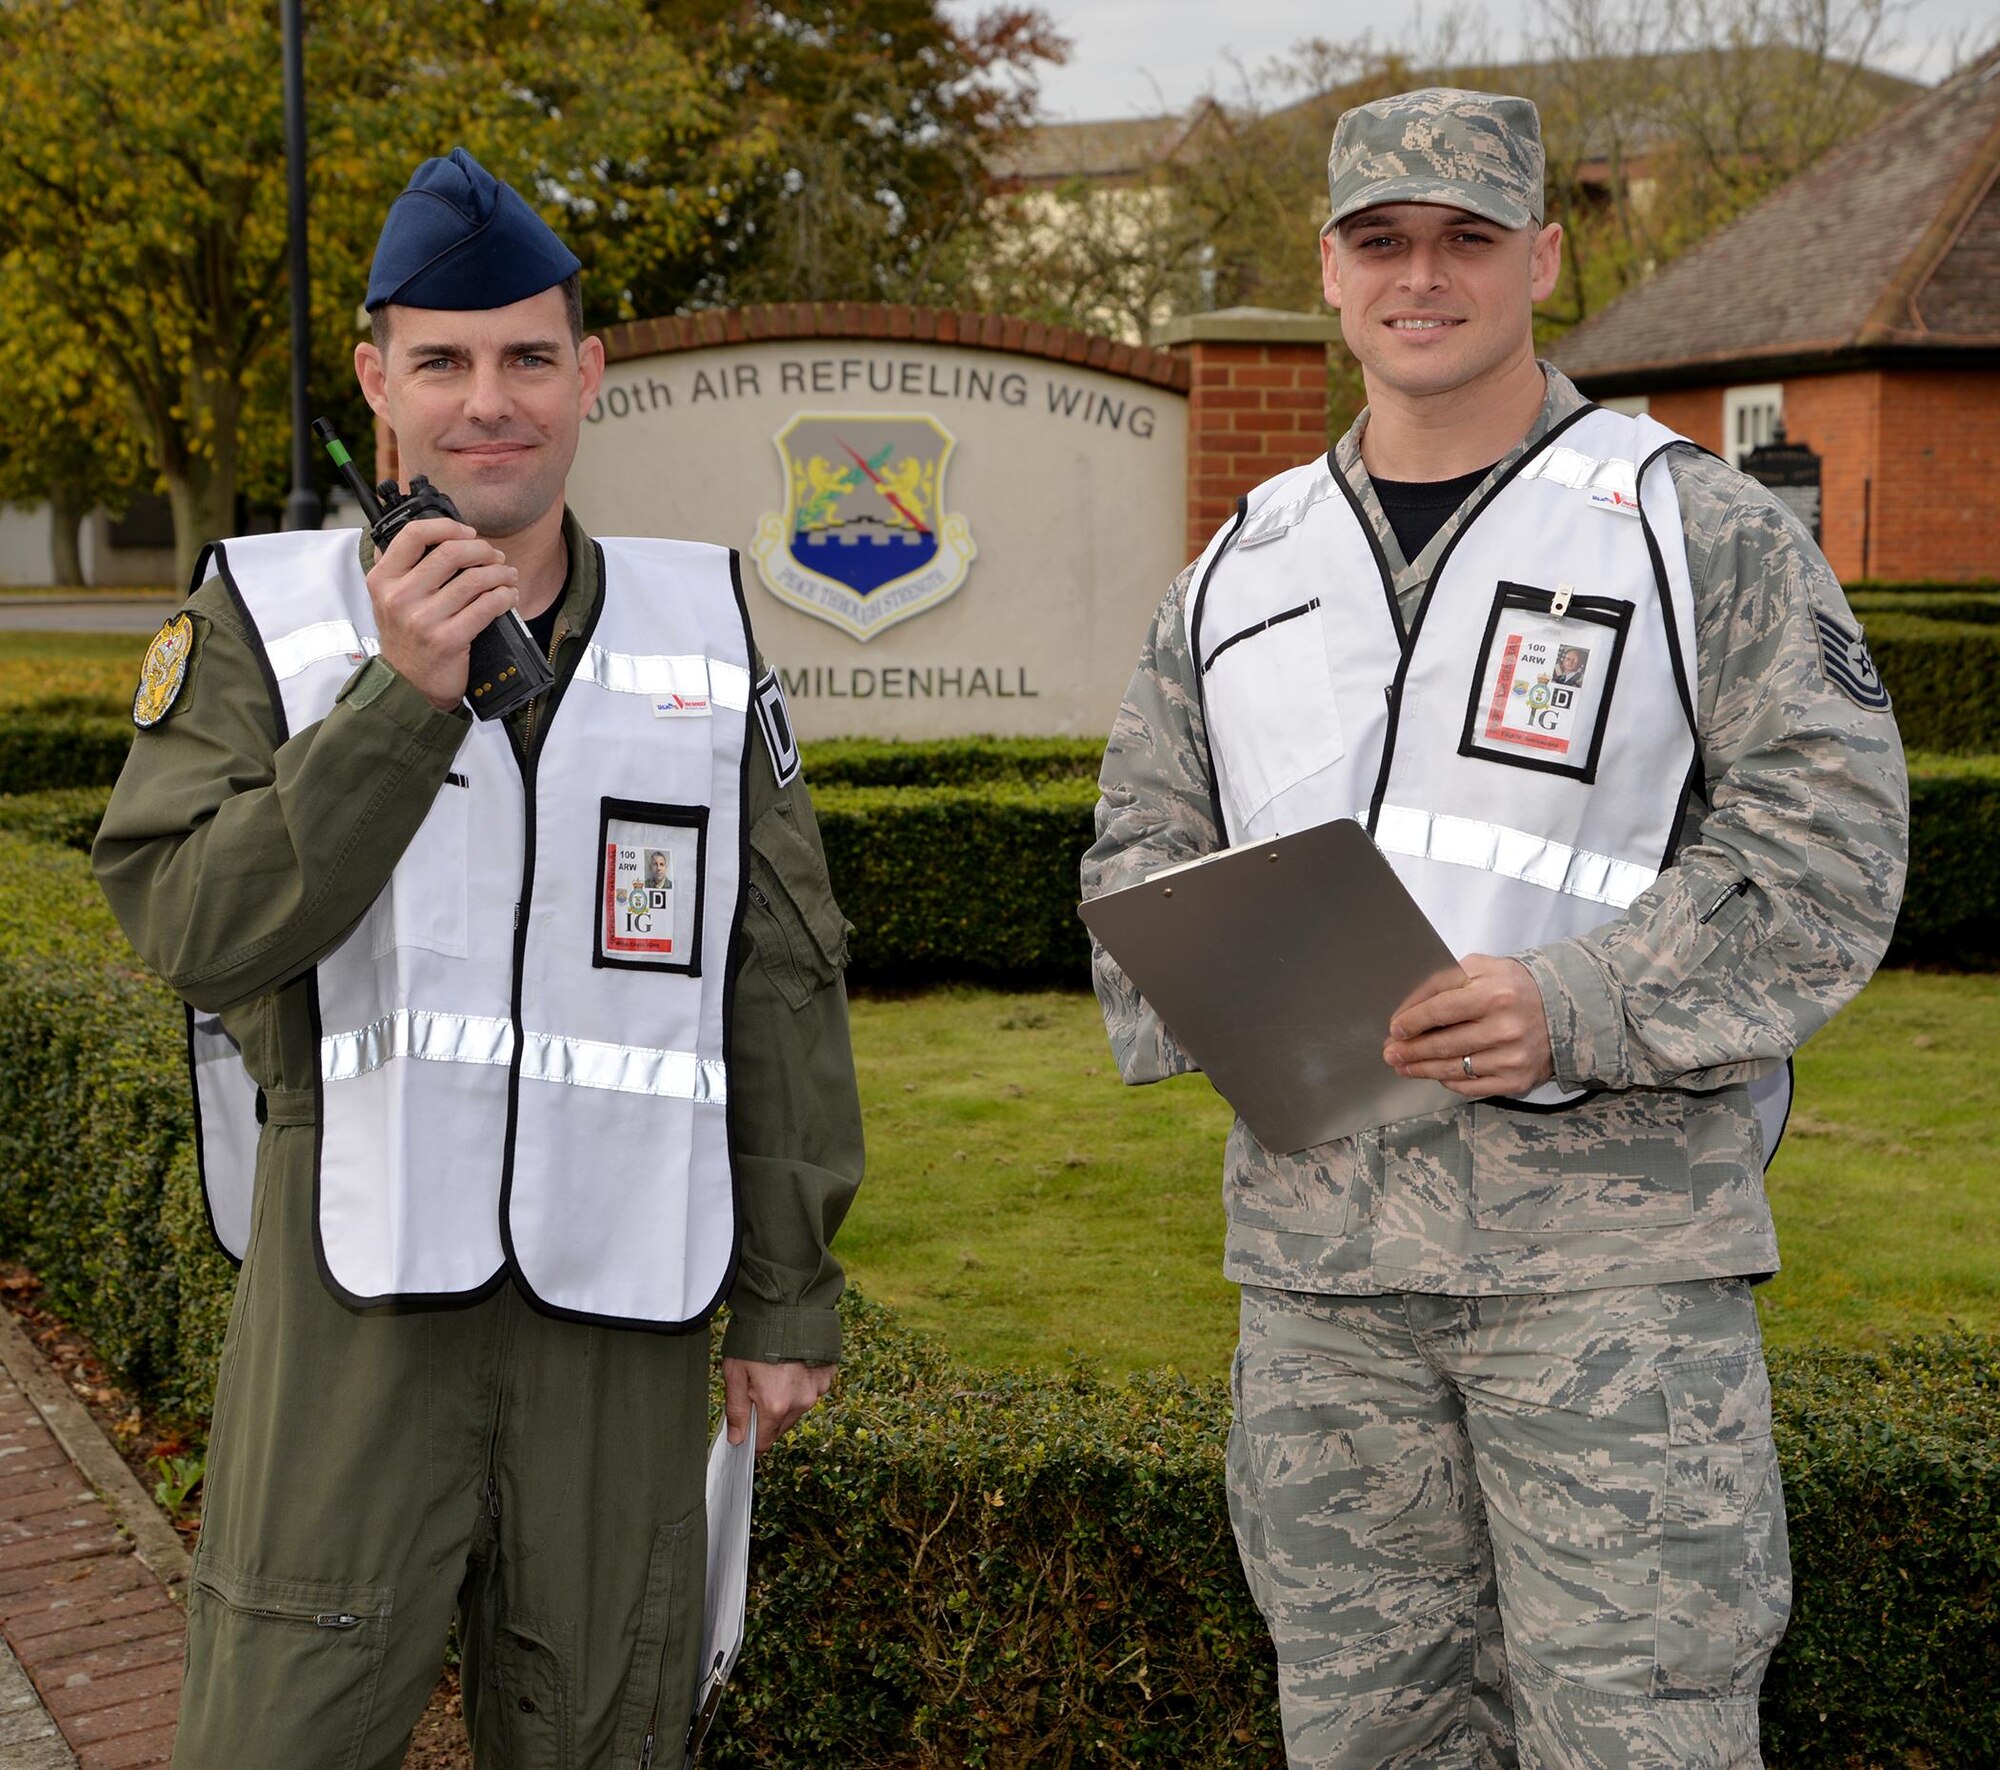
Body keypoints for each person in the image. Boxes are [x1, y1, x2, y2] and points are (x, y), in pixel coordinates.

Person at [1082, 89, 1906, 1769]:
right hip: (1323, 1285)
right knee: (1366, 1731)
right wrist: (1209, 981)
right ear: (1330, 268)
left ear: (1541, 255)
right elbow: (1144, 838)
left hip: (1609, 1283)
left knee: (1641, 1737)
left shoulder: (1694, 525)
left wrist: (1578, 997)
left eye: (1467, 237)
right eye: (1383, 240)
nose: (1424, 276)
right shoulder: (1243, 564)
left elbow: (1832, 844)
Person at [93, 148, 863, 1769]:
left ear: (589, 377)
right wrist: (396, 700)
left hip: (622, 1304)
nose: (486, 400)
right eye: (440, 360)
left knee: (604, 1730)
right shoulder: (267, 613)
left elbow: (780, 973)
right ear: (378, 382)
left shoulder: (702, 627)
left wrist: (788, 1287)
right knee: (275, 1735)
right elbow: (192, 922)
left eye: (526, 357)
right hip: (356, 1308)